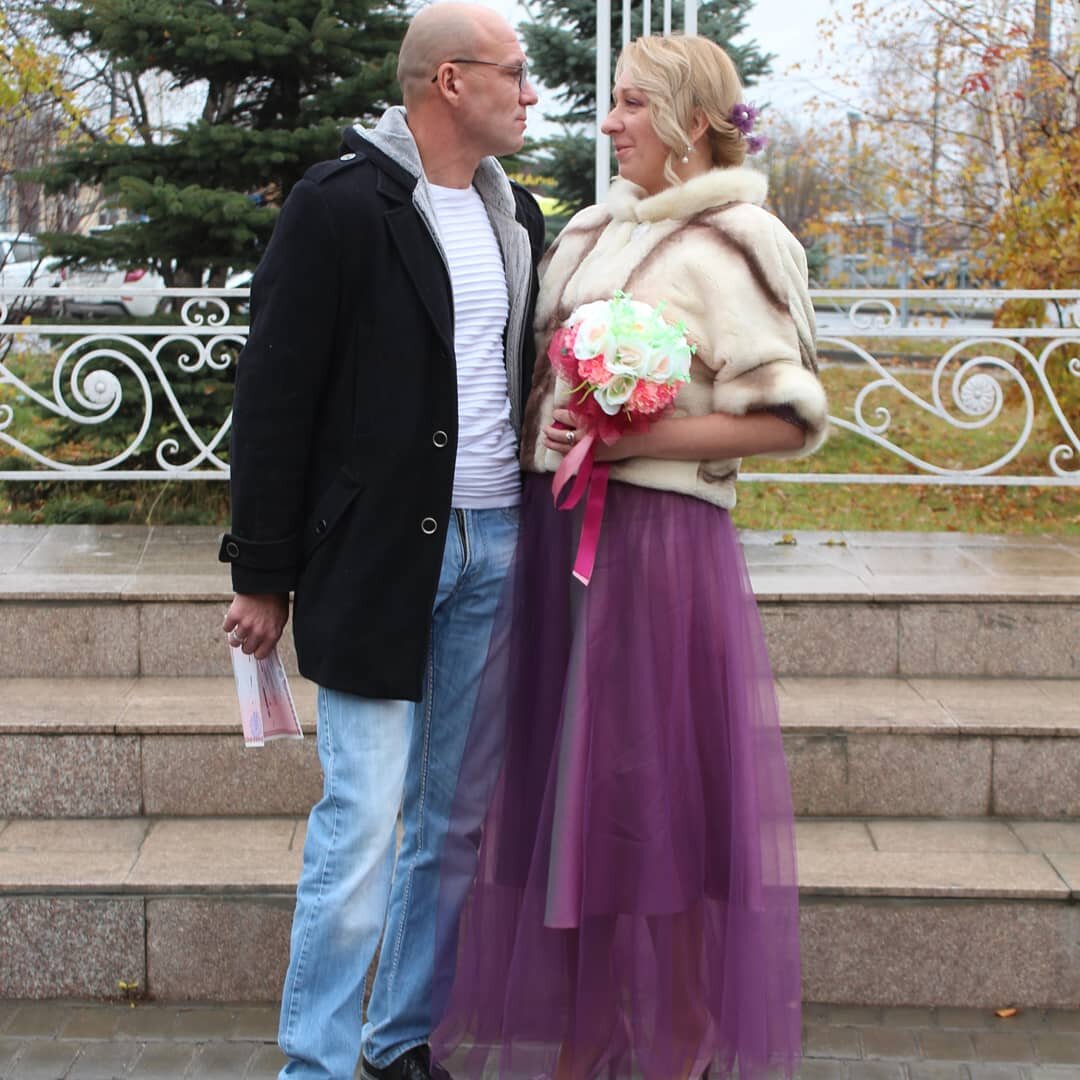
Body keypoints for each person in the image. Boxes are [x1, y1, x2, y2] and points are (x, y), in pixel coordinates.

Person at [429, 33, 828, 1080]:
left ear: (693, 121)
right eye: (612, 102)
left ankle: (686, 1027)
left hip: (658, 555)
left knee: (656, 792)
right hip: (557, 542)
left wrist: (636, 440)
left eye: (632, 104)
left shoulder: (739, 240)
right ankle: (594, 1024)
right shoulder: (587, 232)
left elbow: (787, 419)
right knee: (572, 793)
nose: (608, 122)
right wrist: (551, 431)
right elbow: (544, 386)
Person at [218, 4, 544, 1077]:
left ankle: (398, 1041)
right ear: (450, 80)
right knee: (361, 819)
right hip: (374, 559)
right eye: (514, 71)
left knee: (451, 824)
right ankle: (313, 1064)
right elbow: (274, 398)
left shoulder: (518, 212)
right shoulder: (339, 204)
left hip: (496, 547)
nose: (530, 91)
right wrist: (263, 574)